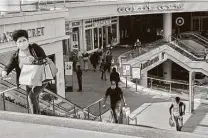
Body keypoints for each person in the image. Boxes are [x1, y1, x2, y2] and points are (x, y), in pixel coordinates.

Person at [1, 29, 50, 114]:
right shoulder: (16, 55)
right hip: (28, 80)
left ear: (28, 40)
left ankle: (36, 118)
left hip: (41, 77)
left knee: (32, 96)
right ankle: (38, 116)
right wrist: (5, 71)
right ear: (16, 43)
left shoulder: (34, 48)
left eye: (24, 40)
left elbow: (45, 58)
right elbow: (10, 65)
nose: (22, 43)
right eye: (20, 41)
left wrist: (35, 59)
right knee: (33, 99)